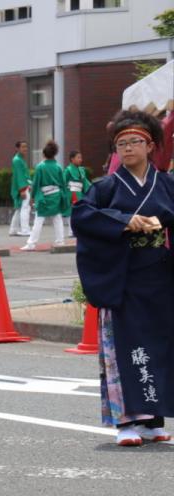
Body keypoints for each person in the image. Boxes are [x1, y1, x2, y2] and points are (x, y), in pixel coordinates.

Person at [72, 110, 174, 447]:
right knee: (127, 348)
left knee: (159, 347)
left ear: (151, 145)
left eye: (135, 142)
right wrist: (124, 221)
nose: (128, 148)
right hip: (123, 277)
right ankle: (126, 422)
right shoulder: (105, 187)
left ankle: (154, 420)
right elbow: (83, 216)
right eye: (121, 143)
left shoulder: (167, 184)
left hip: (160, 275)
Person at [21, 141, 70, 251]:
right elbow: (63, 183)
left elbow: (36, 183)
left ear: (44, 154)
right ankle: (60, 241)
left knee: (39, 220)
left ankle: (31, 243)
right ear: (54, 154)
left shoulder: (40, 167)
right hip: (56, 195)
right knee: (57, 218)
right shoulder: (58, 167)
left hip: (44, 197)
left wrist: (32, 197)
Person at [8, 140, 32, 236]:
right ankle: (25, 230)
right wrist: (22, 189)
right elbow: (19, 175)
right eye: (23, 147)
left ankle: (13, 230)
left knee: (19, 208)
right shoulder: (17, 160)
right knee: (24, 208)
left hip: (23, 186)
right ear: (17, 148)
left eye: (26, 147)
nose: (25, 149)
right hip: (22, 187)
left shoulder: (19, 159)